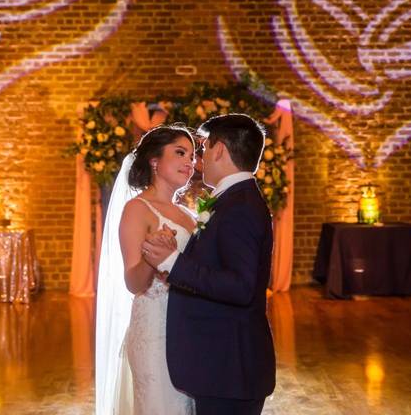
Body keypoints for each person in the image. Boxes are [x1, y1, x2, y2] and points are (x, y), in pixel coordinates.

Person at [142, 114, 276, 415]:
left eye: (202, 149)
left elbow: (240, 286)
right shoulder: (232, 200)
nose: (199, 159)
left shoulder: (239, 207)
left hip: (229, 369)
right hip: (222, 366)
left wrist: (172, 262)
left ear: (219, 150)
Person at [95, 125, 197, 415]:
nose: (189, 162)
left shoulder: (189, 214)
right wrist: (152, 259)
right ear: (154, 161)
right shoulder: (137, 209)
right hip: (155, 333)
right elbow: (133, 282)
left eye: (191, 155)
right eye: (180, 153)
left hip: (188, 329)